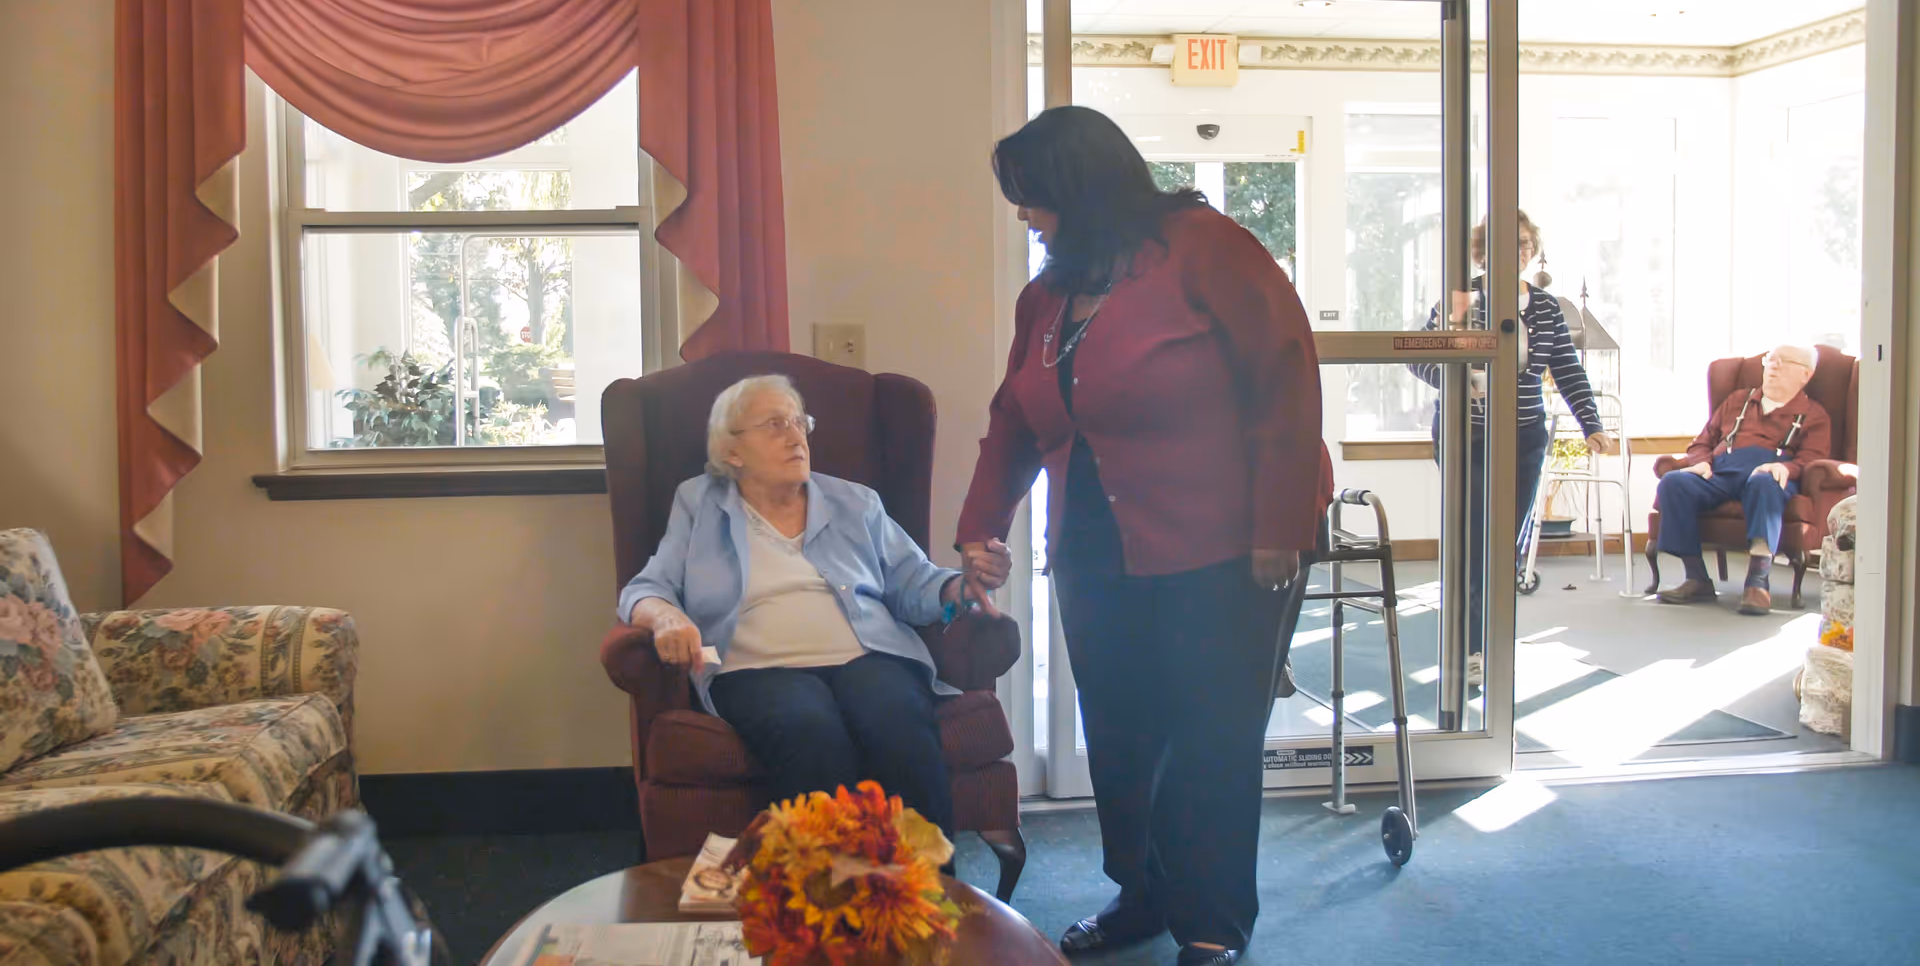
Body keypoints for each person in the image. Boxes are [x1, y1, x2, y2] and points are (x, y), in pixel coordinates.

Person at [956, 106, 1332, 966]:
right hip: (1093, 546)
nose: (1023, 214)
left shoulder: (1205, 248)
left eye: (1032, 196)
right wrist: (981, 525)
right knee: (1122, 730)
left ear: (1080, 188)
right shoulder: (1048, 295)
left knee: (1209, 736)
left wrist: (1279, 524)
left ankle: (1213, 923)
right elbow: (1013, 416)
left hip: (1225, 545)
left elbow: (1285, 380)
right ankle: (1144, 893)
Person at [616, 375, 997, 840]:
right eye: (775, 424)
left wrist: (963, 587)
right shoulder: (699, 502)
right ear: (732, 451)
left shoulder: (856, 502)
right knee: (810, 733)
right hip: (756, 666)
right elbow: (646, 588)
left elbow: (915, 582)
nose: (796, 435)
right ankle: (824, 902)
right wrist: (666, 617)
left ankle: (923, 898)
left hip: (869, 656)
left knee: (898, 725)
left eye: (800, 422)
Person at [1411, 212, 1616, 685]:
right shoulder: (1463, 298)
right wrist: (1462, 380)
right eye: (1509, 242)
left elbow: (1567, 369)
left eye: (1526, 243)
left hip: (1524, 439)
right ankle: (1471, 648)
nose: (1520, 250)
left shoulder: (1544, 306)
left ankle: (1493, 641)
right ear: (1486, 249)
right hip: (1470, 436)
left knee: (1507, 545)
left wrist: (1592, 424)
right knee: (1477, 541)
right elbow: (1421, 357)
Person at [1652, 344, 1830, 615]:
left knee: (1764, 481)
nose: (1774, 366)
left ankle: (1758, 584)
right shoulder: (1738, 400)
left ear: (1806, 374)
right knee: (1673, 483)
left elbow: (1812, 459)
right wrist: (1701, 463)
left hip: (1769, 476)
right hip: (1721, 471)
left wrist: (1789, 469)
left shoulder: (1814, 414)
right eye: (1771, 360)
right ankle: (1696, 578)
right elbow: (1702, 441)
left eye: (1785, 362)